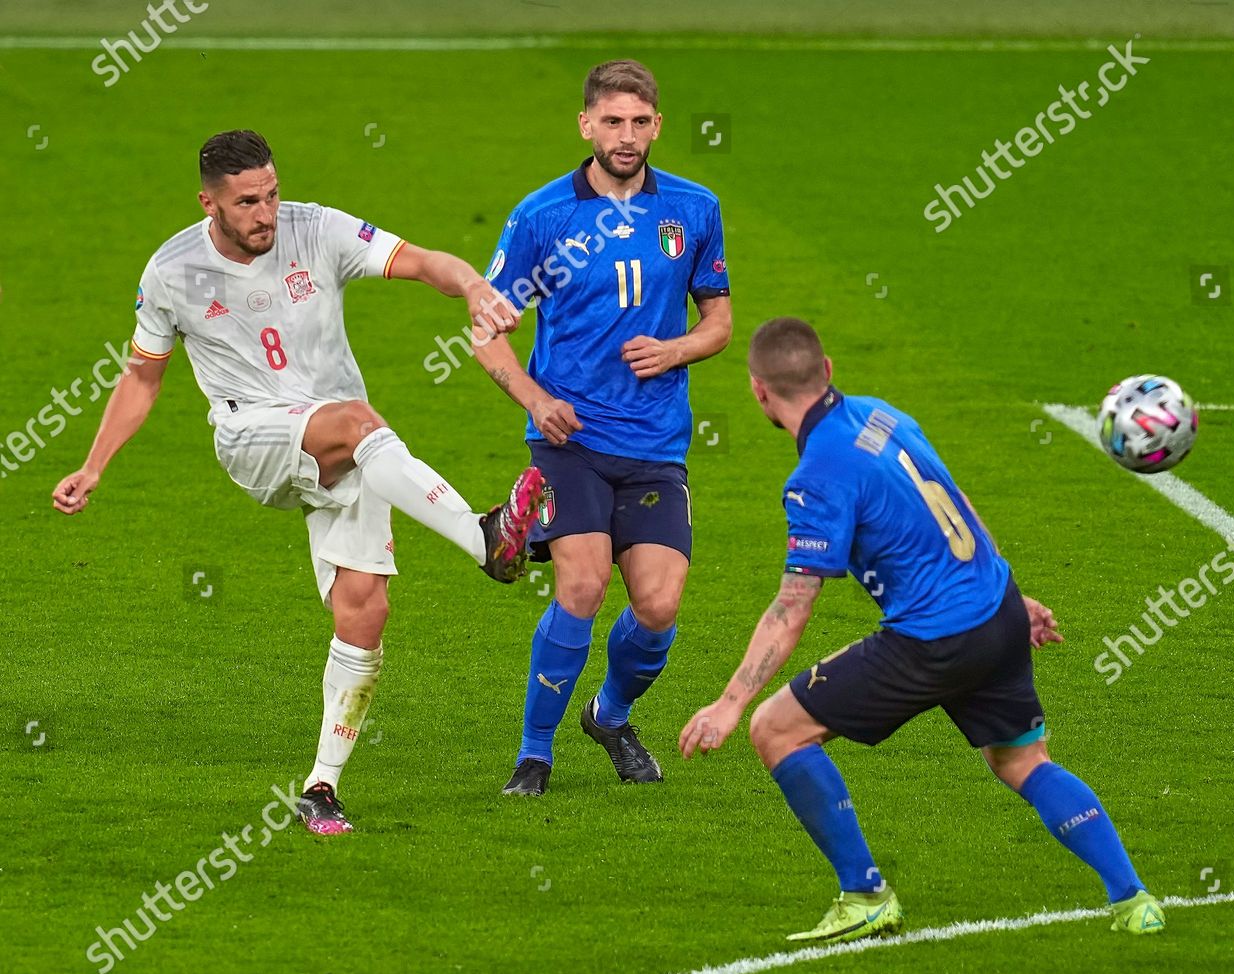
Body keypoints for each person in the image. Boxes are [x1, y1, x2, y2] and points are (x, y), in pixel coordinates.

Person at [52, 129, 546, 835]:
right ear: (210, 203)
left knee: (363, 610)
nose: (266, 213)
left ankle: (320, 787)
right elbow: (142, 376)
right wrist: (93, 466)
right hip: (253, 436)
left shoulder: (315, 229)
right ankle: (485, 540)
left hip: (349, 446)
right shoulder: (172, 271)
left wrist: (471, 286)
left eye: (272, 194)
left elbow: (421, 261)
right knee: (357, 419)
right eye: (248, 202)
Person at [680, 317, 1164, 942]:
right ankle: (1133, 899)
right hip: (997, 614)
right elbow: (956, 501)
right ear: (827, 371)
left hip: (935, 640)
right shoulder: (883, 415)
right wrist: (1013, 595)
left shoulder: (816, 478)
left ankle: (865, 893)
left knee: (776, 729)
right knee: (1022, 759)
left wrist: (728, 702)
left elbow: (792, 606)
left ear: (758, 392)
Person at [478, 60, 732, 796]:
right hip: (570, 440)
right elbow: (489, 332)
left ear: (657, 125)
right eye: (612, 122)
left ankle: (609, 715)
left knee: (657, 606)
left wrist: (676, 348)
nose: (627, 136)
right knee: (584, 585)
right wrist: (534, 401)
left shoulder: (693, 209)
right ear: (586, 125)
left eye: (641, 122)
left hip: (655, 446)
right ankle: (534, 752)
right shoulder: (543, 217)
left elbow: (717, 319)